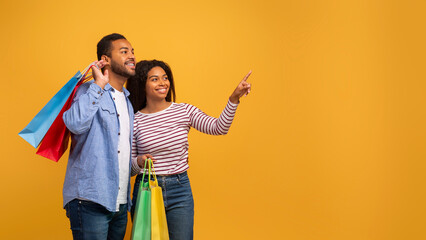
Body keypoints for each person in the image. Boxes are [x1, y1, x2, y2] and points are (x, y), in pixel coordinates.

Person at [127, 60, 252, 240]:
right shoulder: (135, 120)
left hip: (180, 189)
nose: (163, 83)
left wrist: (233, 99)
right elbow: (129, 169)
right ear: (142, 84)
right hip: (147, 189)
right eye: (154, 79)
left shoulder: (184, 111)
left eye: (165, 78)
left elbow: (218, 128)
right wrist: (139, 161)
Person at [62, 33, 137, 240]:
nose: (131, 56)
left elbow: (118, 156)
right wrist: (98, 85)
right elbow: (75, 124)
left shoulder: (128, 102)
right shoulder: (88, 91)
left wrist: (138, 163)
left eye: (132, 51)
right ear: (105, 60)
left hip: (120, 203)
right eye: (124, 52)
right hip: (90, 200)